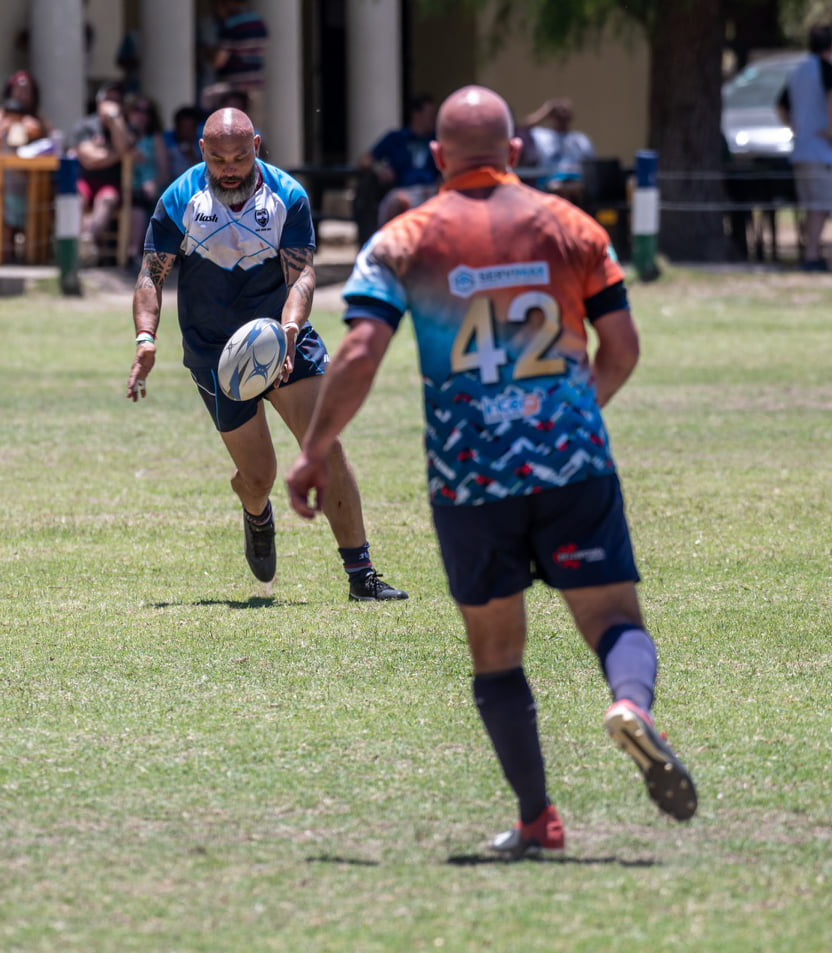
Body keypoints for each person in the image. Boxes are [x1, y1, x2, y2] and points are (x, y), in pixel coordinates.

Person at [283, 85, 694, 858]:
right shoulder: (571, 226)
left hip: (469, 472)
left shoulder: (404, 238)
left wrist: (311, 450)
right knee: (614, 621)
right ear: (515, 152)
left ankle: (538, 817)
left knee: (496, 650)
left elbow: (361, 351)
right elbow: (624, 348)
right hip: (571, 459)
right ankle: (629, 705)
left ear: (437, 158)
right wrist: (573, 414)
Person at [126, 107, 407, 602]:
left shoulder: (288, 196)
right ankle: (255, 510)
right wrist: (146, 339)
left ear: (256, 145)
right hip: (215, 352)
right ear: (202, 153)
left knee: (325, 447)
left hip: (283, 338)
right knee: (260, 476)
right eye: (218, 159)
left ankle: (361, 577)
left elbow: (300, 273)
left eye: (239, 156)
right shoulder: (179, 198)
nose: (229, 168)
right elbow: (152, 274)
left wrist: (290, 330)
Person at [775, 26, 832, 270]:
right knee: (820, 206)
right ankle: (812, 256)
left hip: (801, 150)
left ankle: (810, 252)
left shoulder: (797, 71)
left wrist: (794, 126)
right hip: (821, 150)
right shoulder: (827, 69)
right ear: (831, 47)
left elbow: (780, 107)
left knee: (810, 206)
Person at [0, 71, 53, 261]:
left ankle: (34, 256)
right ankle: (6, 256)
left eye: (27, 90)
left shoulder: (36, 119)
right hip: (3, 181)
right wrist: (3, 130)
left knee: (42, 199)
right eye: (18, 89)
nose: (22, 94)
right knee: (5, 202)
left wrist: (35, 131)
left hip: (34, 182)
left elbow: (52, 143)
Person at [72, 83, 137, 261]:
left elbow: (123, 144)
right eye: (109, 100)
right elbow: (89, 160)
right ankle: (75, 246)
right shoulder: (85, 125)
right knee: (76, 196)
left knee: (106, 199)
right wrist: (117, 154)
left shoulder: (126, 126)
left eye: (117, 101)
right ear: (100, 102)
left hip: (110, 185)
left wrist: (115, 119)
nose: (112, 105)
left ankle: (87, 241)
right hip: (85, 181)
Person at [362, 93, 440, 223]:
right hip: (404, 193)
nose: (434, 118)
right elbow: (364, 159)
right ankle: (385, 241)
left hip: (433, 191)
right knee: (393, 202)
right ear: (416, 114)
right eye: (430, 114)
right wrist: (378, 169)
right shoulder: (396, 138)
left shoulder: (437, 139)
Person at [520, 97, 598, 204]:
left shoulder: (580, 139)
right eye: (557, 113)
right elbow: (522, 129)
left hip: (576, 183)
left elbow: (592, 165)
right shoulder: (541, 135)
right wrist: (545, 111)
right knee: (556, 188)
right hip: (549, 182)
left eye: (565, 112)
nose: (561, 116)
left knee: (578, 189)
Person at [210, 0, 267, 129]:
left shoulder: (231, 24)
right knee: (253, 131)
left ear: (229, 2)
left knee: (232, 133)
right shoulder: (258, 21)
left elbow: (219, 60)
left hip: (234, 90)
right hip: (255, 85)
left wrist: (206, 53)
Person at [126, 95, 174, 255]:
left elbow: (164, 172)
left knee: (141, 198)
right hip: (125, 187)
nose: (142, 115)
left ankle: (134, 252)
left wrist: (153, 183)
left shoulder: (155, 138)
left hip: (150, 188)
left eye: (147, 111)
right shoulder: (123, 137)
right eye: (137, 110)